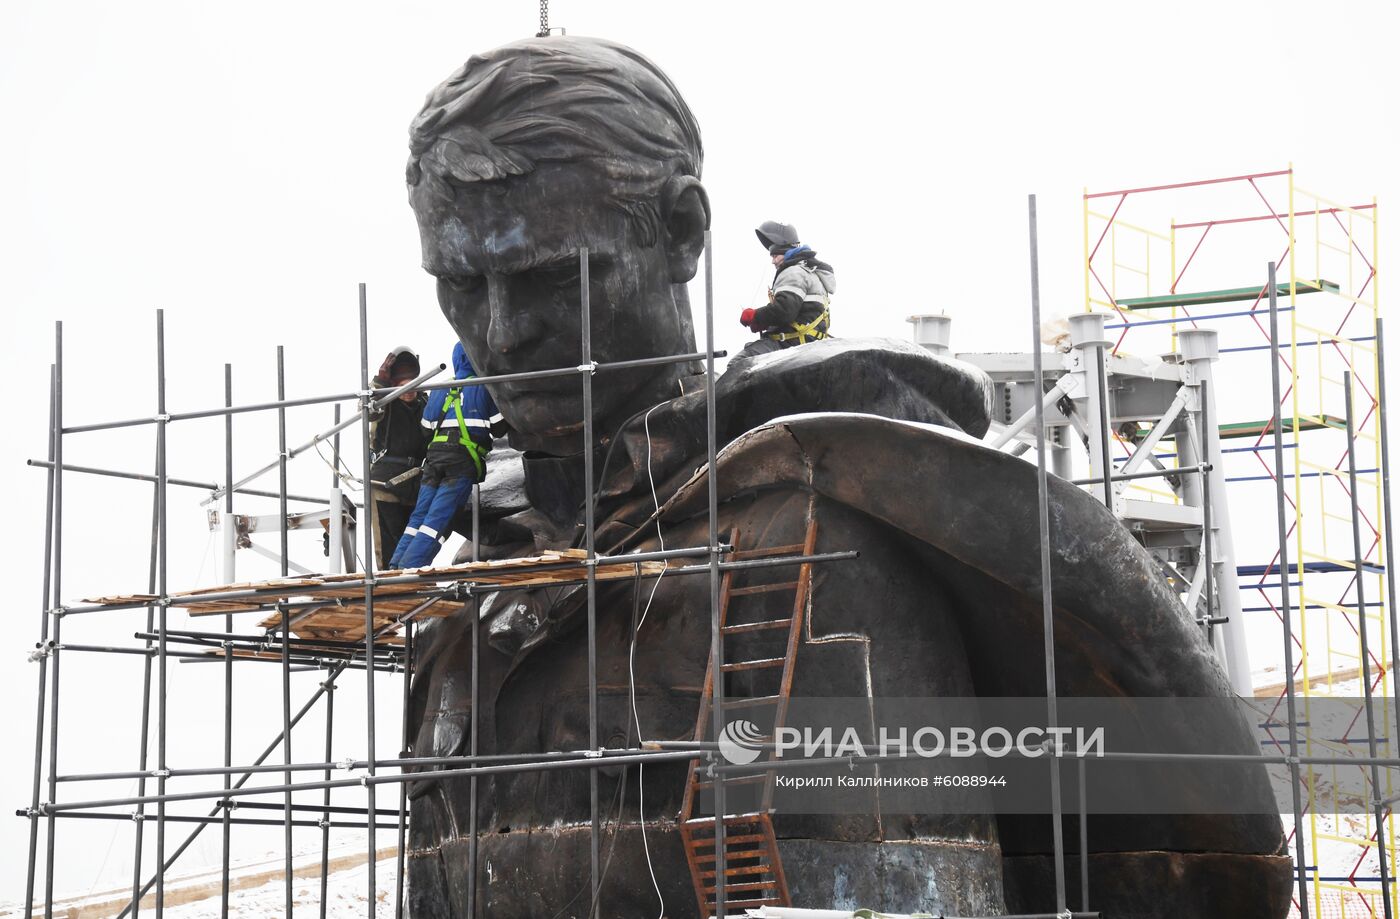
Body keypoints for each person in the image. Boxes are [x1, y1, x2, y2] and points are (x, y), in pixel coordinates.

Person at [400, 36, 1290, 919]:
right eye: (461, 284)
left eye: (555, 276)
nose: (506, 332)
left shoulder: (814, 537)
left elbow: (909, 894)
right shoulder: (477, 598)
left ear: (682, 232)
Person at [387, 342, 504, 569]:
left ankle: (395, 566)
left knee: (418, 517)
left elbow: (426, 428)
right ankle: (410, 569)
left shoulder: (441, 388)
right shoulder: (483, 386)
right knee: (437, 519)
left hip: (434, 460)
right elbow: (499, 428)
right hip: (460, 463)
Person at [734, 220, 835, 361]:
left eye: (775, 256)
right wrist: (765, 322)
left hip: (792, 343)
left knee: (739, 363)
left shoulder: (793, 272)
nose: (773, 261)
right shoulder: (809, 271)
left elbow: (784, 311)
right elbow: (797, 312)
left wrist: (755, 316)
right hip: (809, 340)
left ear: (787, 252)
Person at [367, 346, 430, 567]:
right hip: (387, 485)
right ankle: (388, 589)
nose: (408, 388)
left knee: (416, 548)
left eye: (411, 382)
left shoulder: (425, 403)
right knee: (389, 550)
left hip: (417, 484)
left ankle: (416, 588)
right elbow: (368, 409)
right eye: (402, 383)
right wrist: (379, 384)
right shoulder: (386, 402)